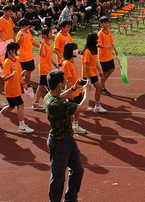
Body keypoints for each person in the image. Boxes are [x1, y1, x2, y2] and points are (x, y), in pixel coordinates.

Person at [44, 69, 90, 202]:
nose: (65, 83)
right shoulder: (56, 104)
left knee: (77, 170)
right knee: (58, 177)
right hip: (59, 143)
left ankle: (70, 199)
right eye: (64, 82)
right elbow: (82, 108)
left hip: (68, 140)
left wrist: (74, 88)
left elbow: (62, 96)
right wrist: (86, 91)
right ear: (59, 85)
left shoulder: (49, 96)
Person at [0, 41, 35, 133]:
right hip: (11, 89)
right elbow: (5, 77)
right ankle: (22, 126)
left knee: (11, 106)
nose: (18, 51)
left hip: (17, 88)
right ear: (10, 51)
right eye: (16, 50)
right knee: (20, 105)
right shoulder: (7, 62)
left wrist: (23, 84)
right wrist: (12, 75)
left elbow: (18, 75)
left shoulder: (16, 60)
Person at [61, 42, 87, 134]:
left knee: (77, 109)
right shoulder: (66, 63)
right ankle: (66, 126)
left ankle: (75, 125)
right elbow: (67, 79)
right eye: (74, 49)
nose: (76, 51)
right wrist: (70, 92)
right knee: (71, 111)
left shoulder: (72, 61)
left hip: (77, 89)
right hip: (72, 90)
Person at [33, 28, 60, 110]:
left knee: (42, 86)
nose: (51, 34)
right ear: (45, 35)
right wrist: (42, 44)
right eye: (50, 33)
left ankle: (37, 103)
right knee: (48, 86)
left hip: (48, 68)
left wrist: (55, 64)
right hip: (44, 69)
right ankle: (52, 101)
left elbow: (49, 57)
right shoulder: (43, 45)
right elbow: (41, 54)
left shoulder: (49, 44)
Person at [81, 32, 106, 113]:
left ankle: (95, 105)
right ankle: (94, 105)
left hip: (93, 73)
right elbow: (86, 65)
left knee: (93, 89)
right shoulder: (87, 51)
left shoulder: (93, 50)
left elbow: (95, 61)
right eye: (96, 40)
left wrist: (100, 71)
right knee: (89, 89)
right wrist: (88, 77)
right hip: (88, 74)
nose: (97, 41)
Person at [15, 18, 40, 89]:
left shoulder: (28, 32)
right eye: (27, 26)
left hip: (29, 55)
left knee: (30, 69)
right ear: (22, 27)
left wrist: (39, 46)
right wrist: (21, 35)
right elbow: (18, 43)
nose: (28, 27)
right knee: (28, 70)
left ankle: (17, 78)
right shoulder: (20, 33)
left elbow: (32, 41)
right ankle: (28, 84)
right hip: (24, 56)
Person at [97, 16, 118, 96]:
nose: (107, 24)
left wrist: (115, 50)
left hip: (109, 55)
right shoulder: (100, 33)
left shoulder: (109, 31)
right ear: (101, 24)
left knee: (112, 69)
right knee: (104, 72)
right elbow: (98, 45)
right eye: (105, 23)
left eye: (107, 22)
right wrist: (106, 47)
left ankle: (101, 83)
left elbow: (111, 42)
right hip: (103, 56)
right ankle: (102, 88)